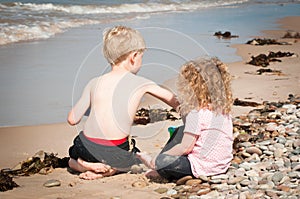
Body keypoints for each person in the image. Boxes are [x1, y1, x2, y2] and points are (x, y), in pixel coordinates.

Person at [67, 26, 180, 180]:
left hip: (87, 149)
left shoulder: (94, 82)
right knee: (133, 157)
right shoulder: (141, 83)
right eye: (141, 56)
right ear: (134, 56)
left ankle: (83, 165)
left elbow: (72, 119)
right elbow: (174, 101)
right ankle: (112, 169)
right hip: (116, 151)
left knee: (72, 155)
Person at [137, 57, 234, 181]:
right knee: (182, 130)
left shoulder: (196, 113)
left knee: (163, 160)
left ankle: (155, 165)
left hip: (200, 167)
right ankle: (160, 165)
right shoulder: (221, 110)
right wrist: (149, 88)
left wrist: (156, 160)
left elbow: (185, 147)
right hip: (220, 166)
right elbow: (178, 106)